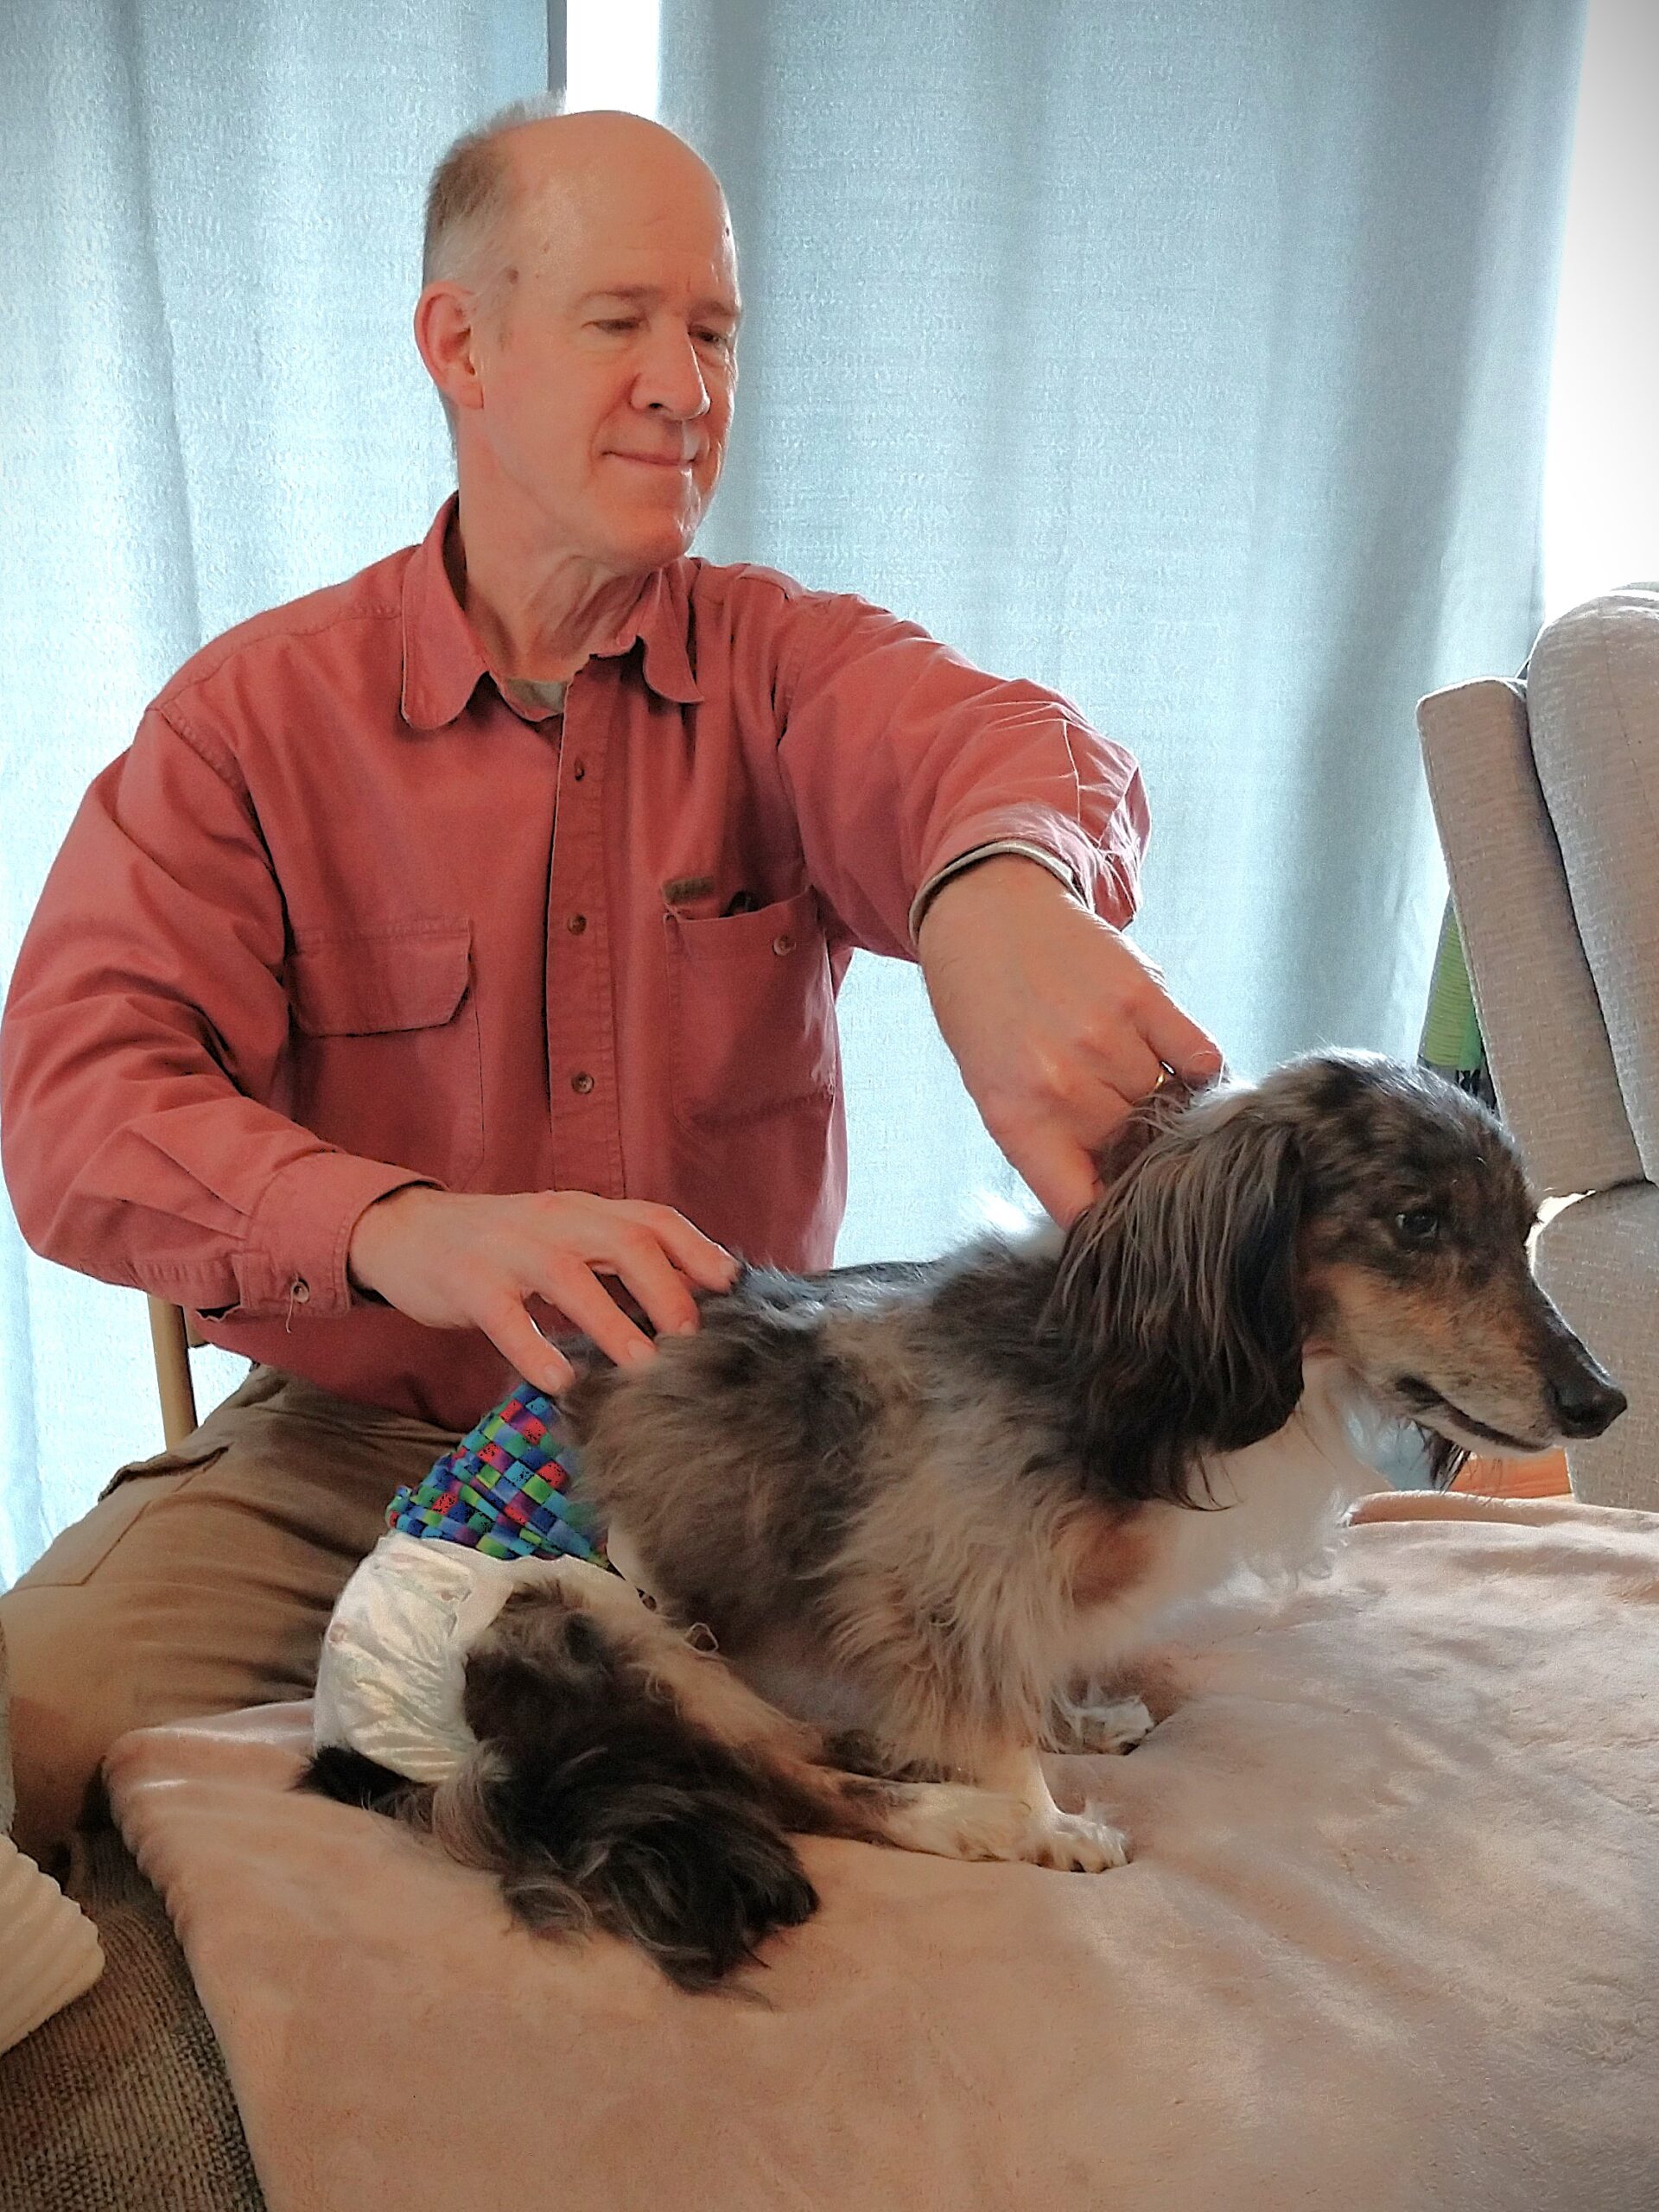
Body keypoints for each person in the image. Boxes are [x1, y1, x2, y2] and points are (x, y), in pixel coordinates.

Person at [0, 102, 1220, 1866]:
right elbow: (71, 1101)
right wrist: (404, 1224)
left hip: (735, 1454)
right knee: (24, 1709)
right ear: (459, 342)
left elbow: (997, 745)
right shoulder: (250, 722)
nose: (684, 383)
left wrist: (997, 883)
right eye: (621, 320)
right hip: (345, 1451)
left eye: (713, 330)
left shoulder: (788, 662)